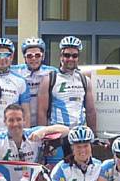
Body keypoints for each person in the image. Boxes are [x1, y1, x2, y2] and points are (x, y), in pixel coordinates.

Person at [37, 36, 97, 165]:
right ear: (61, 56)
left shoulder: (84, 80)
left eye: (74, 56)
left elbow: (91, 110)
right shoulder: (50, 79)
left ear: (78, 57)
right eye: (67, 55)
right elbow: (42, 111)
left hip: (79, 137)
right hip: (57, 137)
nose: (70, 59)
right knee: (55, 174)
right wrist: (43, 138)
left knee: (79, 173)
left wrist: (94, 137)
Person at [0, 37, 56, 127]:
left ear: (43, 56)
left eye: (37, 55)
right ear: (24, 57)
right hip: (22, 119)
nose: (34, 58)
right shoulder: (15, 70)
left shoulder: (51, 72)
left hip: (42, 119)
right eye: (29, 56)